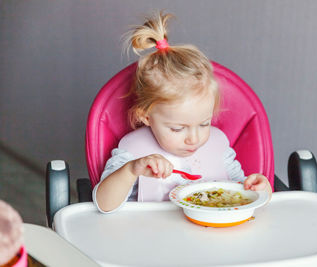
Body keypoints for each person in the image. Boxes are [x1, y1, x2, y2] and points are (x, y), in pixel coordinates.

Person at [93, 12, 270, 213]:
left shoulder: (218, 148)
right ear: (146, 116)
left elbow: (243, 194)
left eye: (205, 123)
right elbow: (103, 205)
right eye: (178, 129)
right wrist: (131, 170)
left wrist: (259, 188)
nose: (194, 139)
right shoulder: (133, 153)